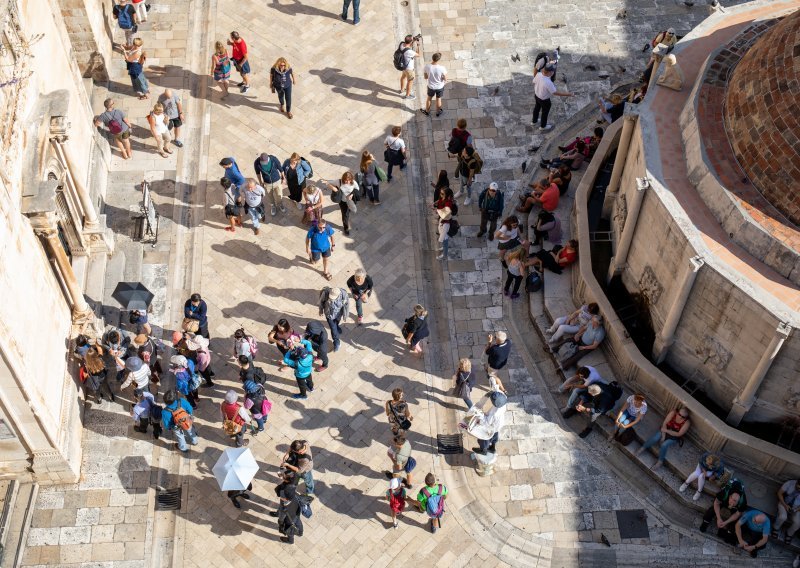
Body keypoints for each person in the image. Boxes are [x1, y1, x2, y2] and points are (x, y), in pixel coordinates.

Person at [699, 478, 747, 543]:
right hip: (724, 501)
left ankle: (729, 533)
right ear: (730, 497)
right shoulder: (724, 493)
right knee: (711, 510)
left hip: (734, 504)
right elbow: (716, 503)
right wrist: (719, 518)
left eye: (735, 502)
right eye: (732, 501)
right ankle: (705, 523)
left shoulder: (743, 501)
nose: (732, 504)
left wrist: (726, 522)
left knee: (736, 520)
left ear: (738, 502)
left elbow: (737, 514)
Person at [531, 65, 573, 131]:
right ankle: (543, 126)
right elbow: (555, 93)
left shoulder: (538, 74)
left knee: (537, 108)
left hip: (537, 96)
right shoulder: (548, 82)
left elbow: (534, 82)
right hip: (545, 100)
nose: (554, 72)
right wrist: (568, 94)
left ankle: (534, 121)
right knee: (545, 113)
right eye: (553, 71)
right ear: (550, 72)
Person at [467, 390, 508, 455]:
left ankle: (483, 450)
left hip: (492, 426)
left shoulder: (494, 414)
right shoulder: (503, 400)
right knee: (495, 435)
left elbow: (487, 423)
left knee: (485, 437)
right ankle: (492, 448)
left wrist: (481, 415)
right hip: (499, 424)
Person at [253, 152, 286, 216]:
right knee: (270, 196)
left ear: (268, 158)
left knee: (279, 195)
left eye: (266, 162)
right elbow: (258, 173)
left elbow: (281, 169)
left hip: (277, 181)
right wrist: (260, 182)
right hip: (267, 183)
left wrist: (283, 178)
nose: (265, 163)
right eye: (263, 162)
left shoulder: (273, 159)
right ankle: (273, 206)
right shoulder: (257, 163)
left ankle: (280, 204)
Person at [326, 172, 358, 236]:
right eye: (346, 180)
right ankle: (346, 228)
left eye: (349, 180)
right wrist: (334, 188)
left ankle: (348, 211)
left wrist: (352, 194)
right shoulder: (339, 182)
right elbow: (327, 183)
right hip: (343, 202)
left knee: (349, 211)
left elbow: (357, 189)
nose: (347, 182)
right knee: (345, 215)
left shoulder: (353, 182)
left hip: (351, 201)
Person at [319, 286, 349, 352]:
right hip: (329, 315)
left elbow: (346, 305)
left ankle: (337, 327)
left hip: (338, 314)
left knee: (336, 324)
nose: (331, 298)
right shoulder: (326, 293)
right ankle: (336, 342)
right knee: (333, 328)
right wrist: (321, 310)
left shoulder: (344, 295)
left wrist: (345, 315)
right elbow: (321, 302)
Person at [773, 479, 800, 543]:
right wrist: (785, 505)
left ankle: (789, 534)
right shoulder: (790, 483)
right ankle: (775, 528)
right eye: (798, 487)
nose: (799, 490)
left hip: (796, 508)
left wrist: (796, 509)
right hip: (784, 502)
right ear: (796, 483)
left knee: (798, 523)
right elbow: (779, 493)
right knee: (783, 517)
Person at [421, 52, 447, 117]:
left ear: (432, 58)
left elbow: (425, 77)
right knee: (438, 99)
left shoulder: (427, 67)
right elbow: (445, 79)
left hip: (431, 86)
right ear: (438, 60)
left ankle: (427, 111)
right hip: (439, 87)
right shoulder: (442, 68)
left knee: (429, 99)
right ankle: (438, 112)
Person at [397, 35, 419, 99]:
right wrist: (418, 46)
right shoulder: (409, 52)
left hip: (403, 66)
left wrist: (413, 41)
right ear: (410, 42)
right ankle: (407, 95)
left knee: (403, 77)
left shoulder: (401, 44)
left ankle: (402, 90)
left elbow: (408, 46)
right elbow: (418, 54)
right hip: (409, 68)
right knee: (410, 81)